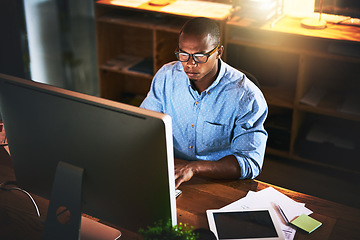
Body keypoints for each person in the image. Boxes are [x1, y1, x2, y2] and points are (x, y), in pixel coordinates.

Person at [140, 17, 267, 189]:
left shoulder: (246, 96)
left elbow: (249, 162)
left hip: (218, 182)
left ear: (219, 52)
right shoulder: (166, 77)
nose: (190, 64)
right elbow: (145, 127)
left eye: (200, 56)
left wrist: (194, 168)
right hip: (172, 173)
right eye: (183, 54)